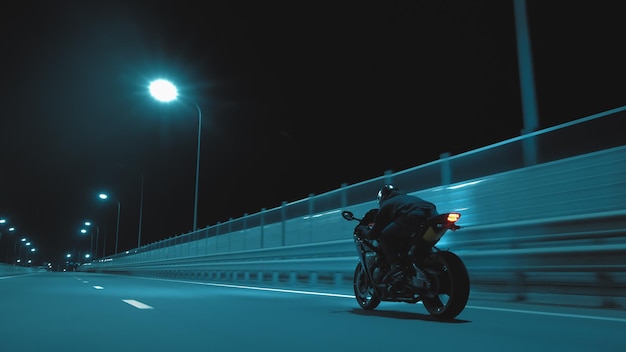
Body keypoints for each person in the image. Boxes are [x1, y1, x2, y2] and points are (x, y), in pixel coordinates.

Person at [359, 184, 438, 284]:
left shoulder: (387, 205)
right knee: (421, 246)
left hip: (413, 217)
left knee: (384, 235)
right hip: (434, 216)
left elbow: (374, 234)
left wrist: (363, 231)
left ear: (382, 197)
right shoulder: (408, 198)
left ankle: (397, 266)